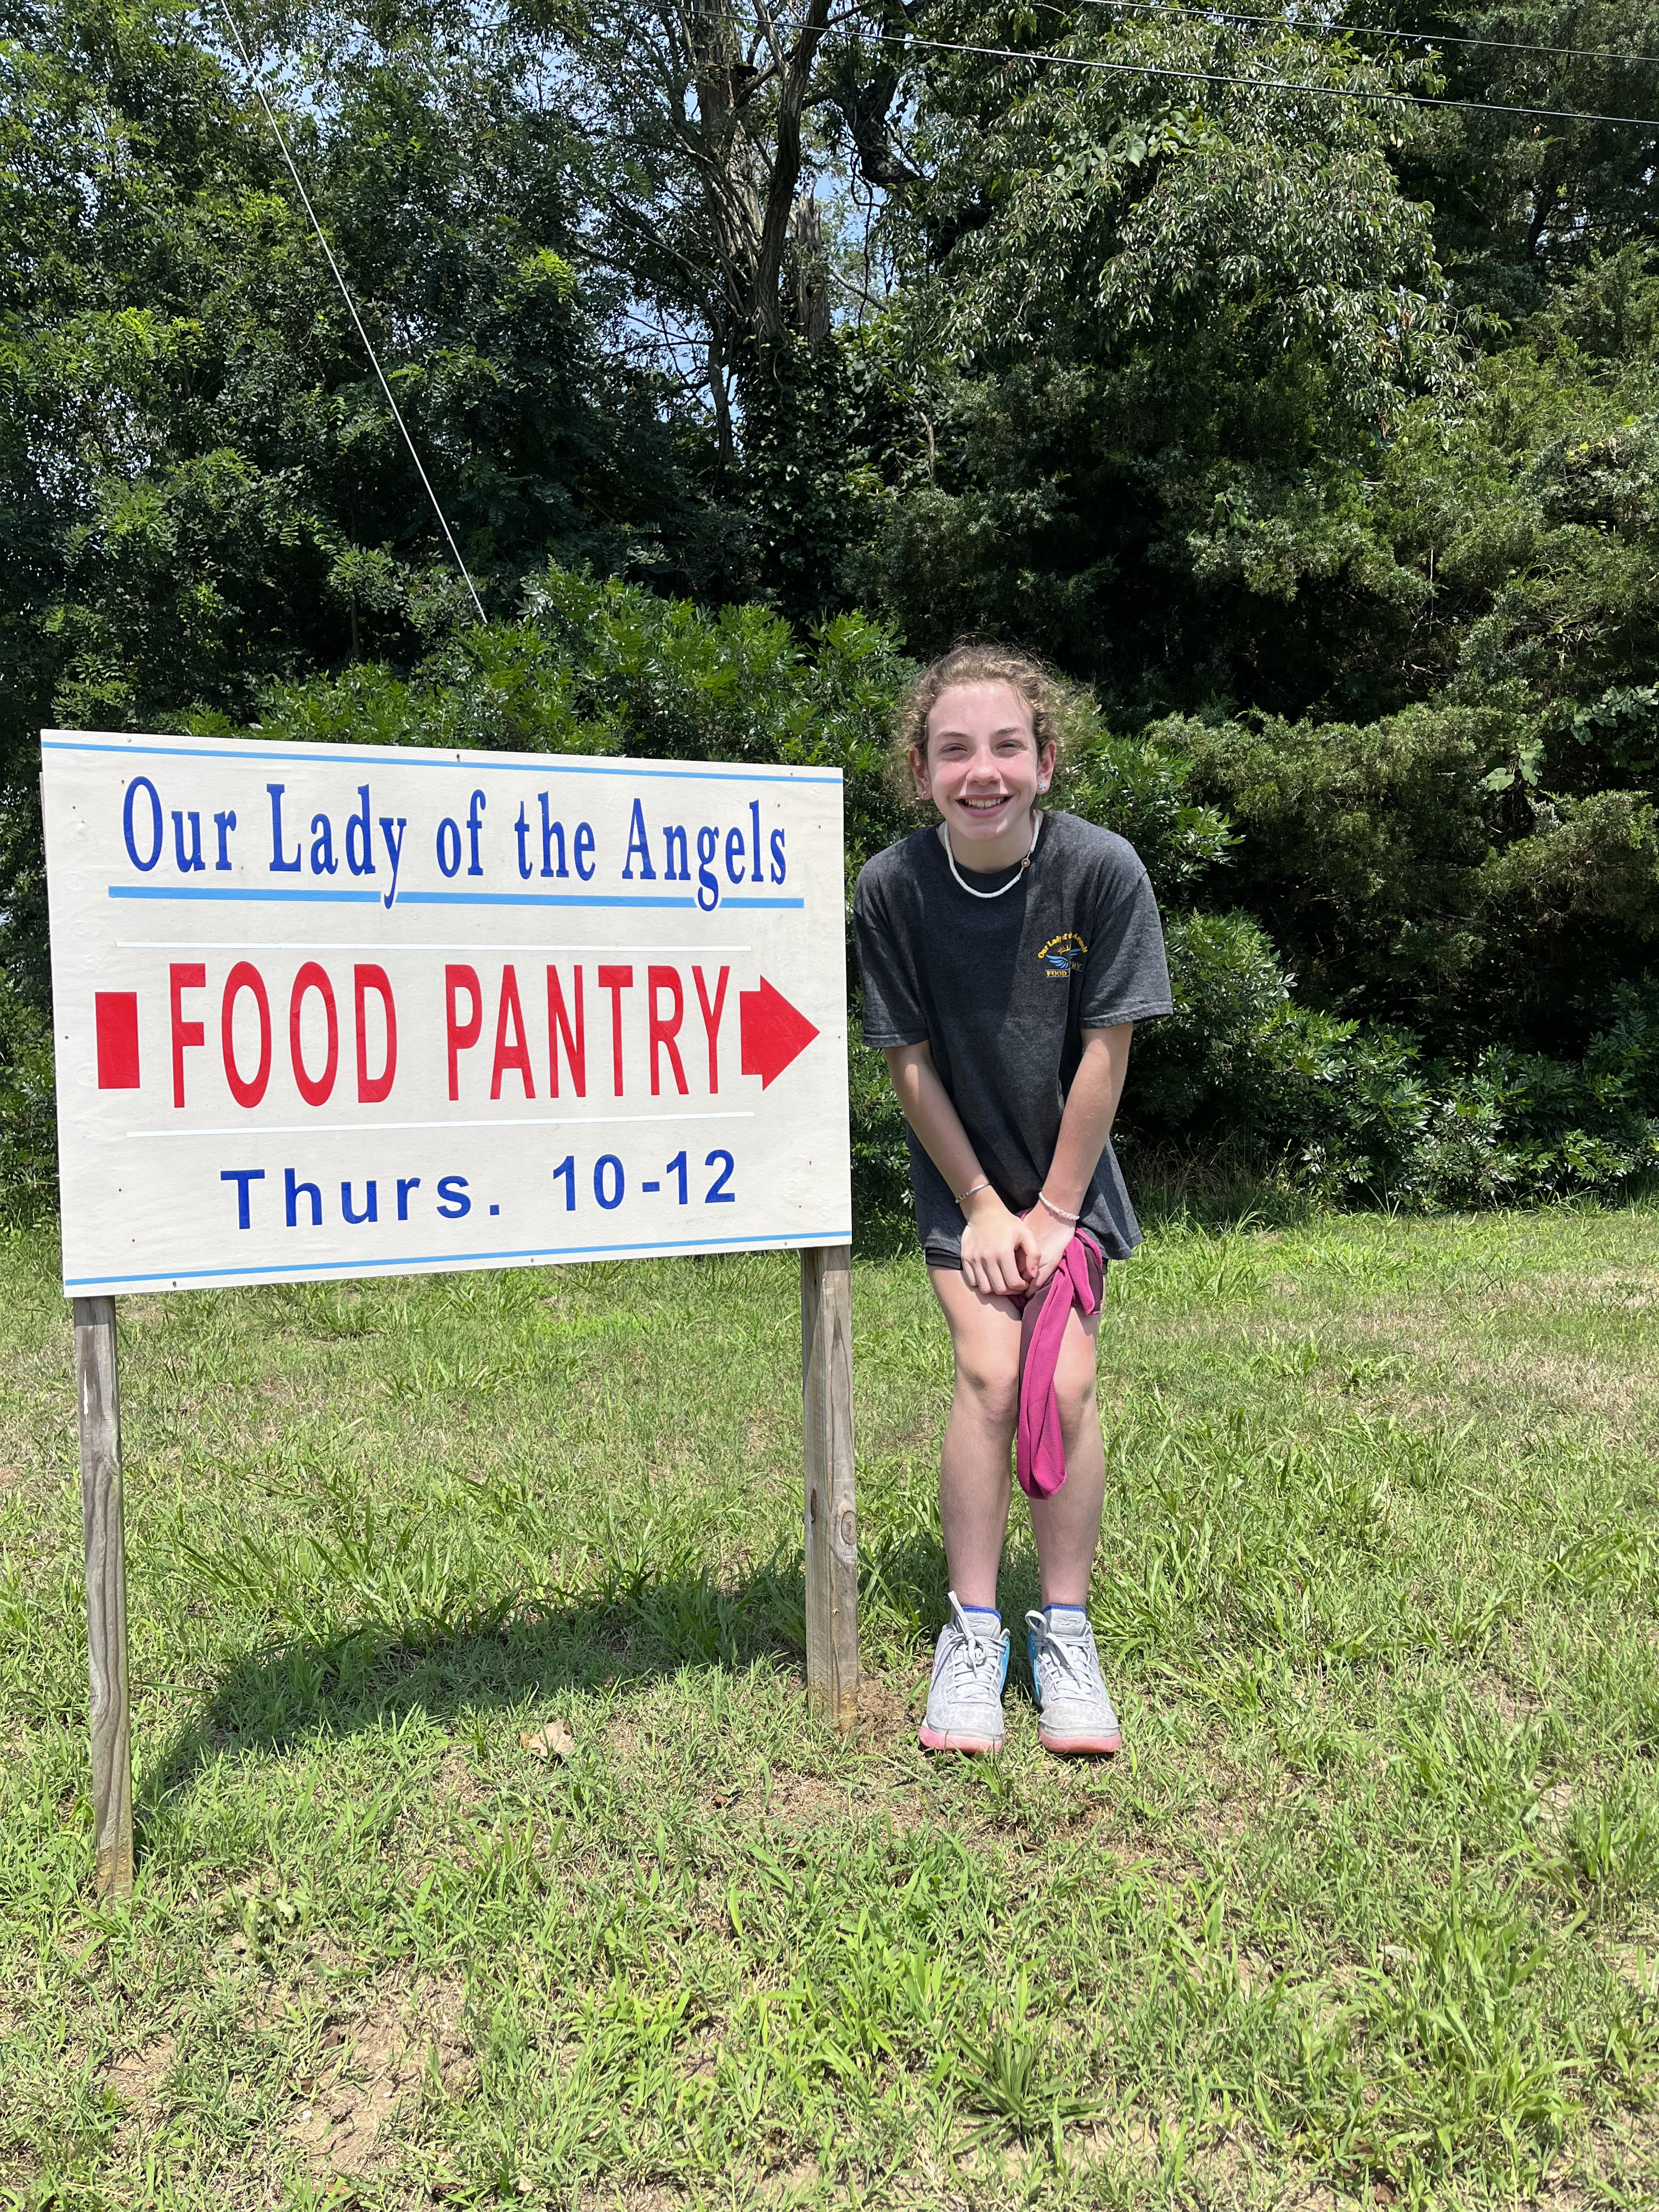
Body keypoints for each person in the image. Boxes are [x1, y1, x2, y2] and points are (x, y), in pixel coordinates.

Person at [853, 644, 1172, 1756]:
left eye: (1003, 747)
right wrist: (986, 1204)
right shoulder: (891, 887)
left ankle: (1067, 1630)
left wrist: (1050, 1213)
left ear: (1046, 760)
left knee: (1067, 1385)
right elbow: (907, 1064)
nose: (979, 772)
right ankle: (975, 1633)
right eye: (953, 750)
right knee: (991, 1375)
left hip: (1069, 1182)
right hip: (962, 1180)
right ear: (920, 769)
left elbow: (1107, 1052)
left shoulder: (1103, 872)